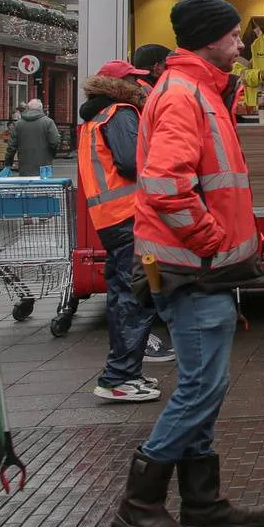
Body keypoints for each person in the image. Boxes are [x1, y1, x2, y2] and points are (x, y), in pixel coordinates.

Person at [110, 0, 264, 527]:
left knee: (204, 386)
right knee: (203, 386)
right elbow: (166, 186)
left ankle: (203, 503)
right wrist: (210, 241)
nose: (240, 42)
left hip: (194, 266)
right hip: (192, 267)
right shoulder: (186, 96)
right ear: (210, 38)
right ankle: (141, 503)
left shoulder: (196, 91)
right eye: (233, 34)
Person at [79, 59, 164, 404]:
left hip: (111, 219)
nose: (142, 84)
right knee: (138, 296)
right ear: (121, 83)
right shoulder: (121, 113)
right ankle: (119, 376)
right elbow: (132, 162)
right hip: (132, 217)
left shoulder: (95, 118)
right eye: (135, 78)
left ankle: (127, 372)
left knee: (122, 296)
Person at [10, 97, 60, 176]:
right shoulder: (48, 122)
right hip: (44, 165)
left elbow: (11, 146)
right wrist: (51, 155)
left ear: (28, 109)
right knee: (44, 186)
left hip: (24, 165)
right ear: (41, 108)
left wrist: (8, 163)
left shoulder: (19, 124)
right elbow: (55, 142)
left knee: (26, 186)